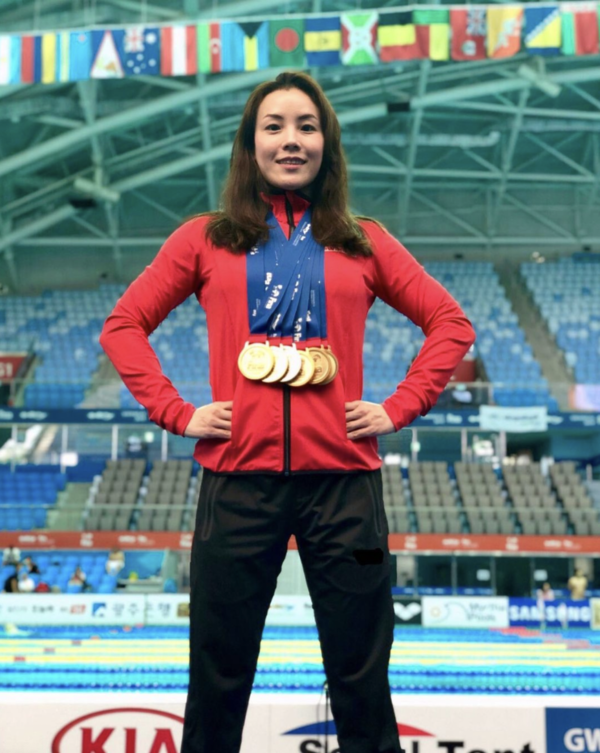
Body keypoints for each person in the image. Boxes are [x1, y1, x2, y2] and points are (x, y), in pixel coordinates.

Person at [100, 71, 476, 753]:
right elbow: (123, 325)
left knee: (362, 673)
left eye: (306, 126)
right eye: (273, 126)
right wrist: (177, 412)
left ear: (326, 144)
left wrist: (397, 406)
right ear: (251, 144)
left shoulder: (365, 239)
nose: (291, 140)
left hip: (347, 489)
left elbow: (450, 324)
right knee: (217, 672)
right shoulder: (203, 239)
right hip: (236, 486)